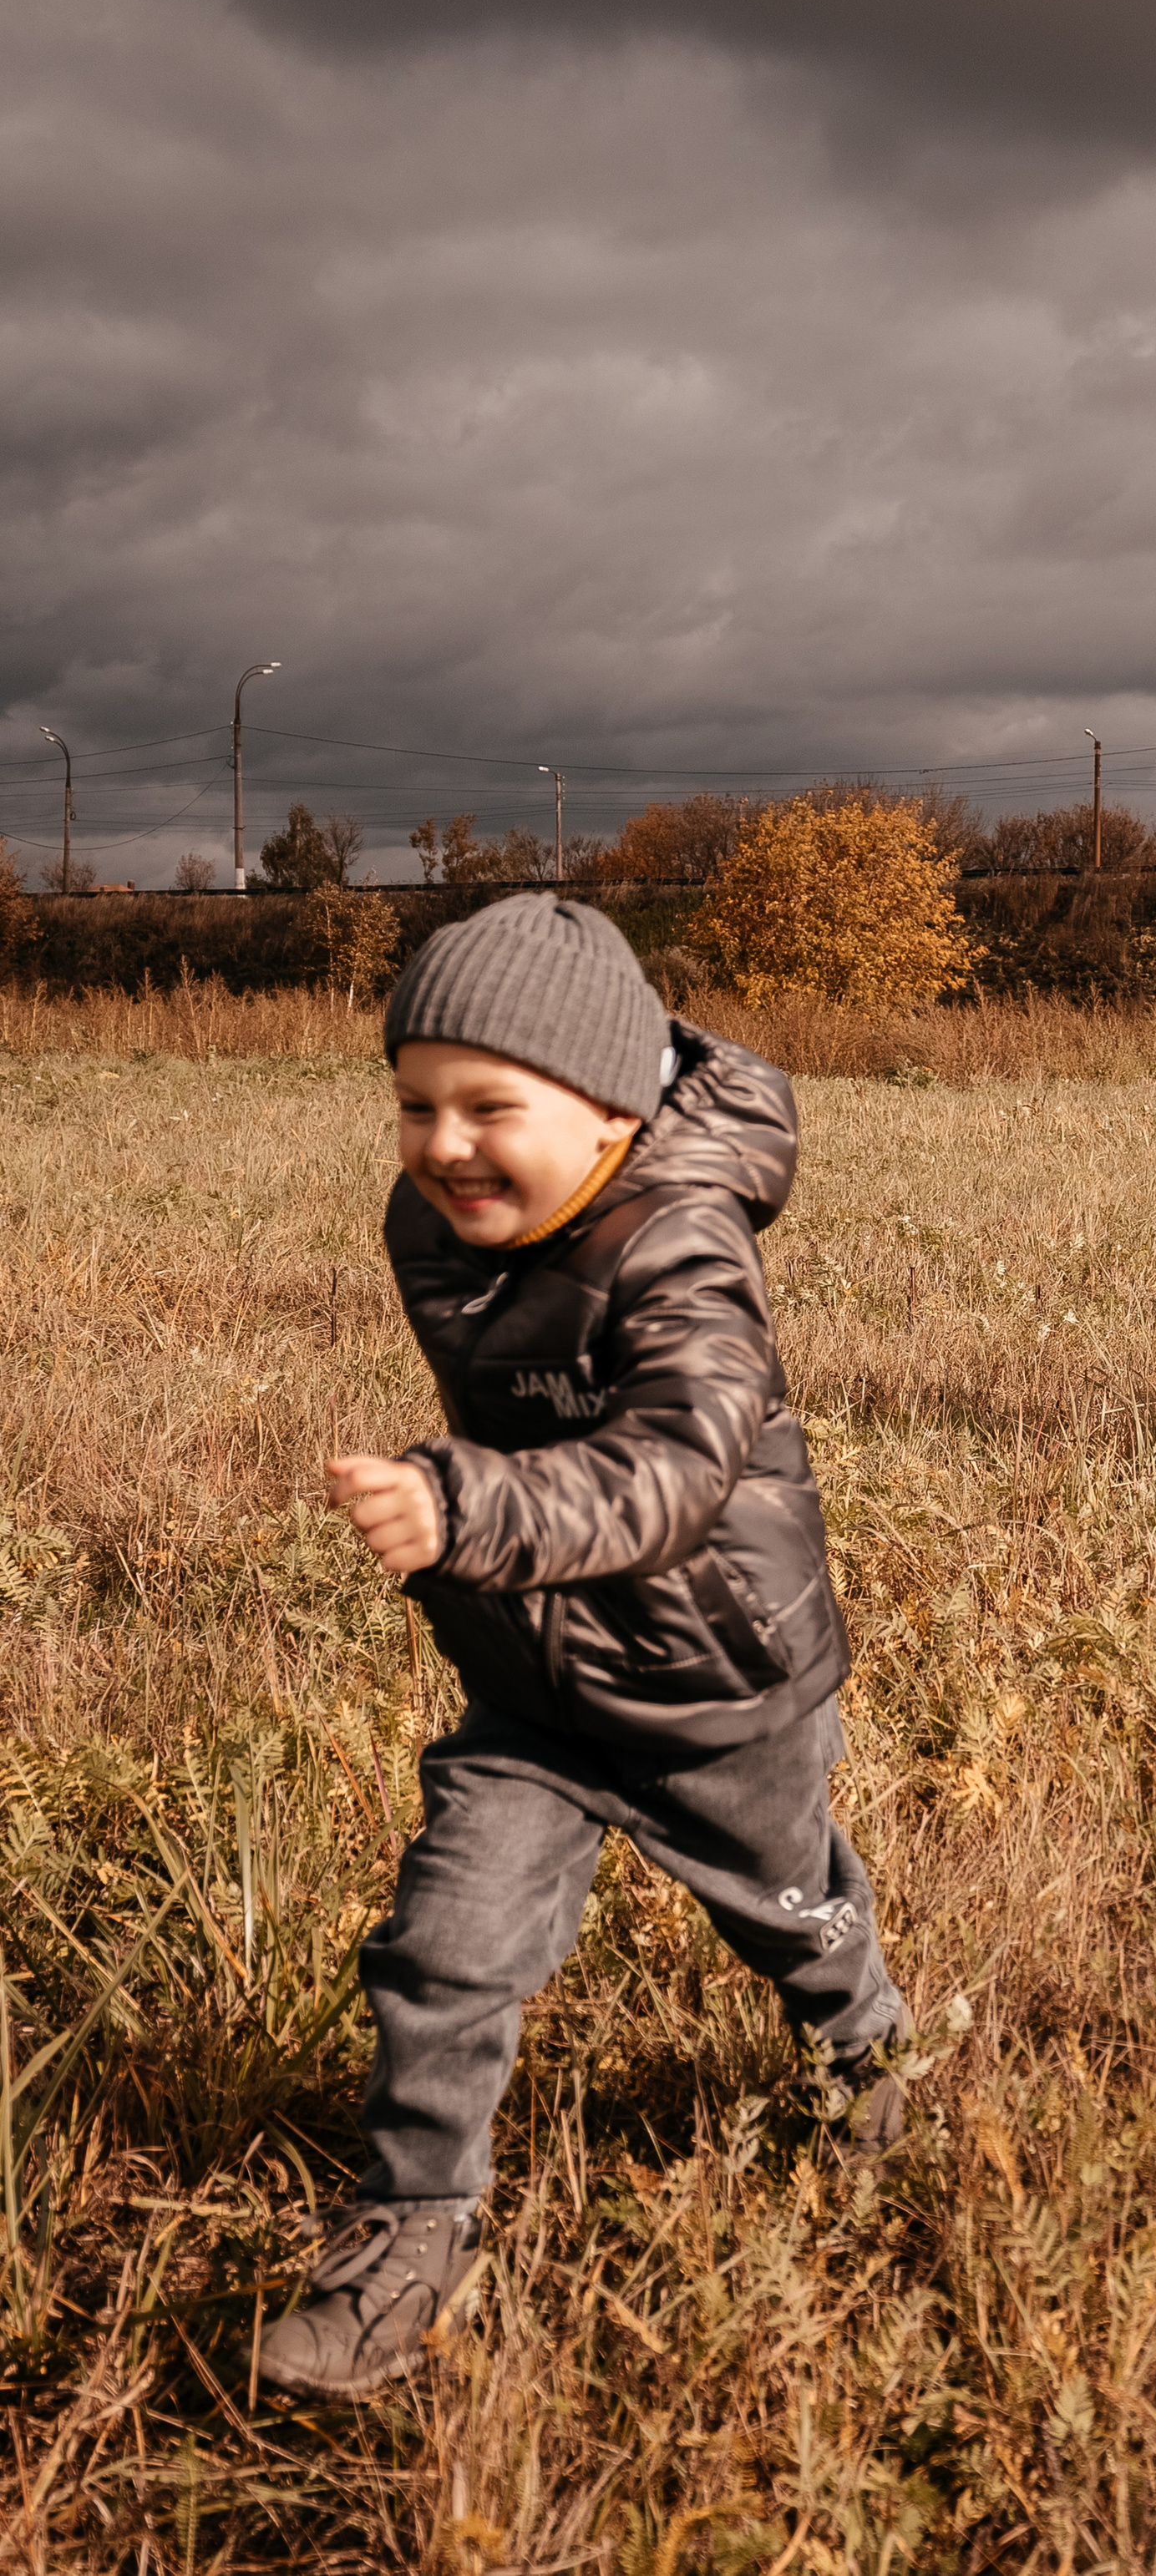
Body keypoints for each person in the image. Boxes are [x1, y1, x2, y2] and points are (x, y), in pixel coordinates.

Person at [257, 895, 907, 2401]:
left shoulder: (684, 1242)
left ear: (615, 1108)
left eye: (494, 1105)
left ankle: (869, 2052)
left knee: (791, 1910)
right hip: (539, 1677)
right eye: (415, 1101)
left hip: (712, 1683)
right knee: (444, 1943)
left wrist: (465, 1498)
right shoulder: (444, 1218)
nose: (444, 1142)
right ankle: (410, 2230)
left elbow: (678, 1463)